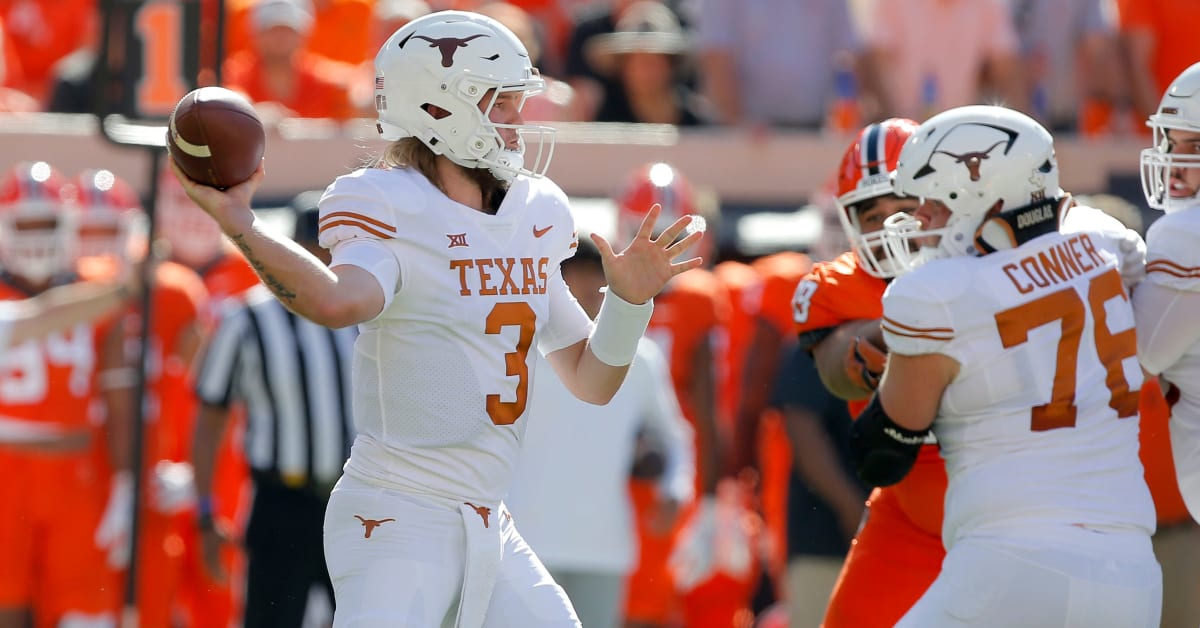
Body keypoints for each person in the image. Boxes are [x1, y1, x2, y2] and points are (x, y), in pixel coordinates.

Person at [170, 9, 704, 626]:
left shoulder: (531, 212)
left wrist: (629, 303)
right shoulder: (390, 201)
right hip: (398, 514)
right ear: (441, 108)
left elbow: (592, 380)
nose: (516, 120)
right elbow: (339, 300)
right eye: (500, 103)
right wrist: (242, 225)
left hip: (489, 517)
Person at [862, 104, 1159, 626]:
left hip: (1010, 565)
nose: (918, 218)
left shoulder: (936, 295)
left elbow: (881, 455)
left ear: (982, 194)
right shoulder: (1106, 240)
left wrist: (879, 376)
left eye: (932, 202)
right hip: (1130, 572)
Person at [788, 118, 941, 628]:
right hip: (908, 509)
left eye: (904, 208)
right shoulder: (837, 286)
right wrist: (901, 325)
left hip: (1003, 499)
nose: (890, 227)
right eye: (872, 214)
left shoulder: (991, 261)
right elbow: (837, 370)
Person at [504, 235, 695, 628]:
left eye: (598, 279)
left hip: (605, 544)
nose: (589, 290)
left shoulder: (642, 358)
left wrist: (675, 489)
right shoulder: (522, 350)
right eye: (576, 278)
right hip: (524, 539)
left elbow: (675, 435)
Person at [191, 195, 357, 628]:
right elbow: (210, 417)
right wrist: (207, 512)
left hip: (356, 503)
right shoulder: (246, 318)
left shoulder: (369, 314)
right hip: (282, 501)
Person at [0, 161, 137, 628]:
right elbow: (38, 318)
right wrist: (122, 287)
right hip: (6, 471)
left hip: (76, 473)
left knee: (83, 612)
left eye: (47, 222)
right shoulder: (97, 293)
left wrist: (124, 482)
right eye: (25, 222)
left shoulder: (92, 286)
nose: (36, 235)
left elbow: (118, 400)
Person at [1134, 60, 1200, 531]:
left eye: (1195, 146)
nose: (1176, 163)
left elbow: (1140, 353)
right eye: (1172, 143)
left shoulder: (1184, 235)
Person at [766, 344, 866, 628]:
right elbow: (802, 430)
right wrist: (852, 507)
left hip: (902, 539)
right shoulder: (817, 337)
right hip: (823, 540)